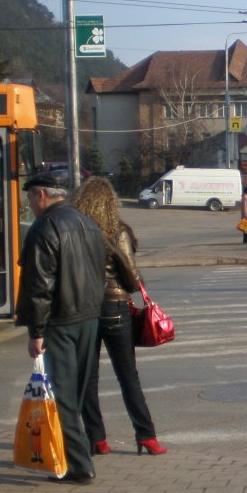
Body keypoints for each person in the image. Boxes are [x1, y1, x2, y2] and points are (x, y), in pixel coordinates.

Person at [16, 171, 106, 485]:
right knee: (77, 392)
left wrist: (35, 331)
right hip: (88, 318)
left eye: (30, 197)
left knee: (63, 396)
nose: (30, 204)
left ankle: (79, 466)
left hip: (61, 321)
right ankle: (71, 453)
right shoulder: (86, 222)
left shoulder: (45, 227)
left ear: (41, 195)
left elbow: (39, 285)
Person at [73, 177, 167, 457]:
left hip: (84, 310)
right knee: (128, 376)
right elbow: (130, 276)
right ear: (111, 203)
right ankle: (146, 435)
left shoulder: (75, 231)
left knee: (88, 378)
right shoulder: (117, 231)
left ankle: (96, 438)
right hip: (115, 308)